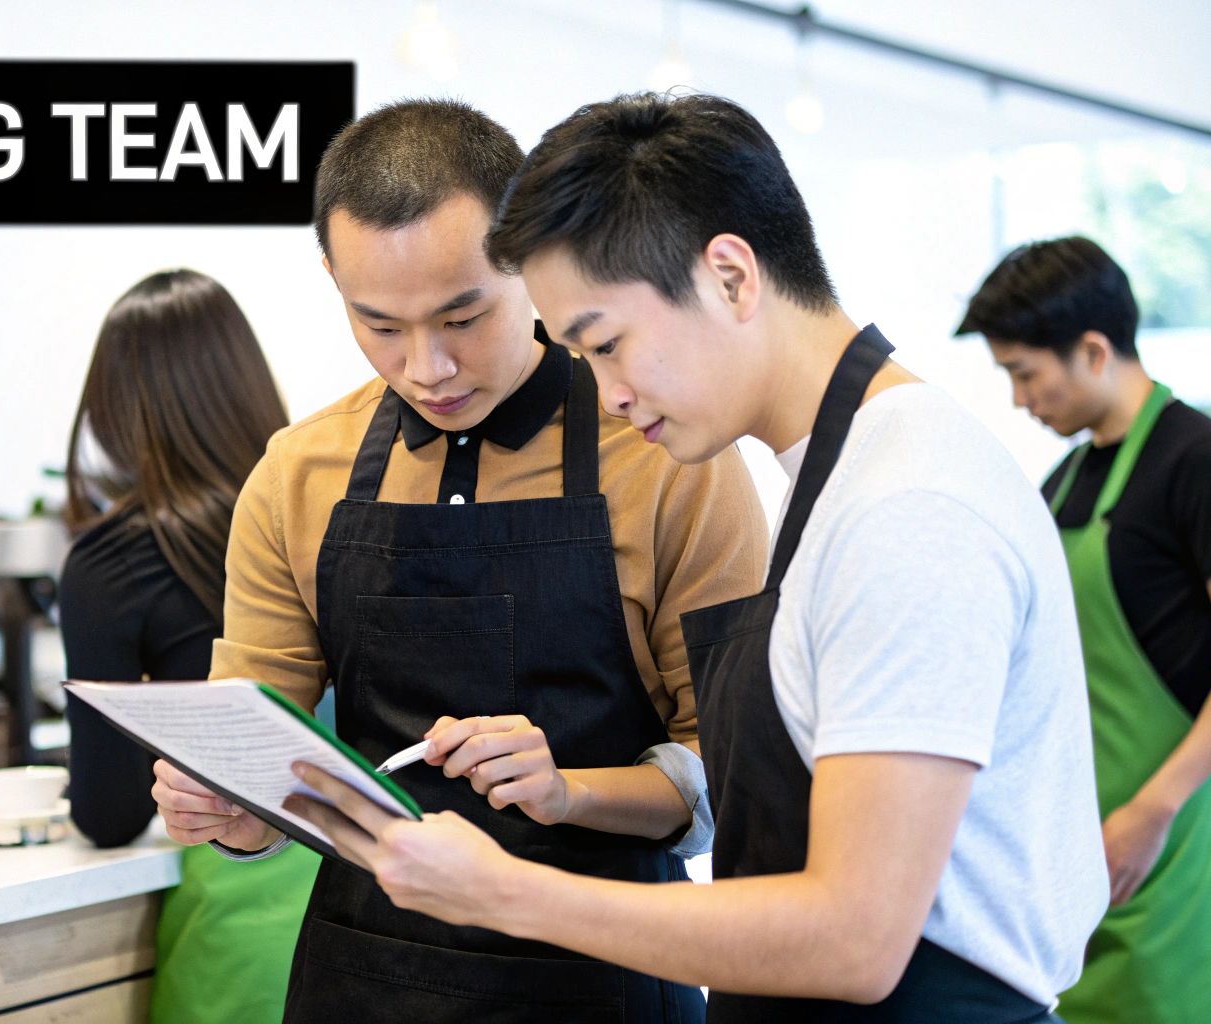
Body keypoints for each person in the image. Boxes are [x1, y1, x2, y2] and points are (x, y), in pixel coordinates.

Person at [286, 92, 1111, 1022]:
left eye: (607, 344)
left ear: (729, 276)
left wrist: (503, 890)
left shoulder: (907, 507)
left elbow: (856, 936)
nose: (609, 393)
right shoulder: (843, 474)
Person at [149, 99, 769, 1021]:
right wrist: (233, 816)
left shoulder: (668, 455)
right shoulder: (298, 473)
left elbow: (728, 776)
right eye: (380, 326)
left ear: (525, 259)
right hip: (365, 975)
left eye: (462, 316)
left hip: (603, 976)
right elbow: (267, 757)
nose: (427, 367)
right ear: (331, 278)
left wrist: (570, 793)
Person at [958, 237, 1211, 1024]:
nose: (1019, 400)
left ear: (1094, 350)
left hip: (1167, 845)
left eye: (1024, 373)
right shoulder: (1068, 479)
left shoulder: (1200, 461)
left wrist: (1154, 809)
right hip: (1079, 854)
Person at [57, 268, 318, 1024]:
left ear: (112, 407)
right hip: (376, 921)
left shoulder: (113, 563)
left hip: (238, 946)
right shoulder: (322, 512)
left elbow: (104, 814)